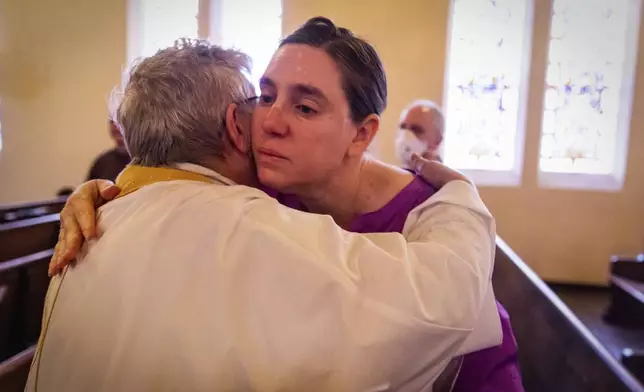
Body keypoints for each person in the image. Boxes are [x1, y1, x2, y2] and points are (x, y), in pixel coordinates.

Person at [29, 38, 496, 391]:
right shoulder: (257, 228)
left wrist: (111, 189)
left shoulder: (98, 222)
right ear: (237, 127)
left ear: (362, 133)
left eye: (305, 105)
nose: (272, 121)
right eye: (264, 99)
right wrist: (458, 198)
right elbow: (441, 296)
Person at [396, 100, 445, 168]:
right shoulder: (393, 176)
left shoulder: (448, 178)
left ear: (437, 141)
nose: (406, 135)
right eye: (403, 127)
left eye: (416, 130)